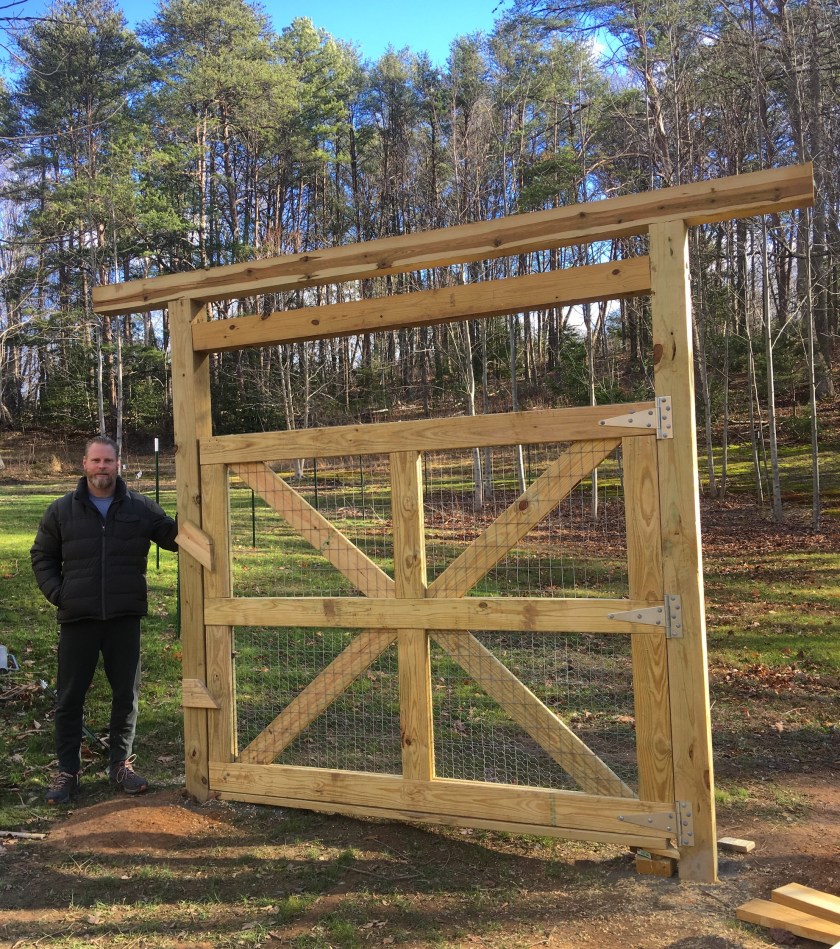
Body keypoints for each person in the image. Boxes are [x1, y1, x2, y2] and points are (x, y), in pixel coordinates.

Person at [31, 435, 179, 805]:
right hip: (77, 619)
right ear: (84, 464)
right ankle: (68, 772)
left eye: (108, 461)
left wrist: (196, 504)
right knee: (69, 697)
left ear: (118, 465)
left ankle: (120, 765)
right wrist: (59, 594)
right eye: (96, 460)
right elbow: (42, 555)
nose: (102, 467)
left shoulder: (140, 507)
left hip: (123, 617)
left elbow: (174, 538)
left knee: (126, 694)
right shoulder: (61, 511)